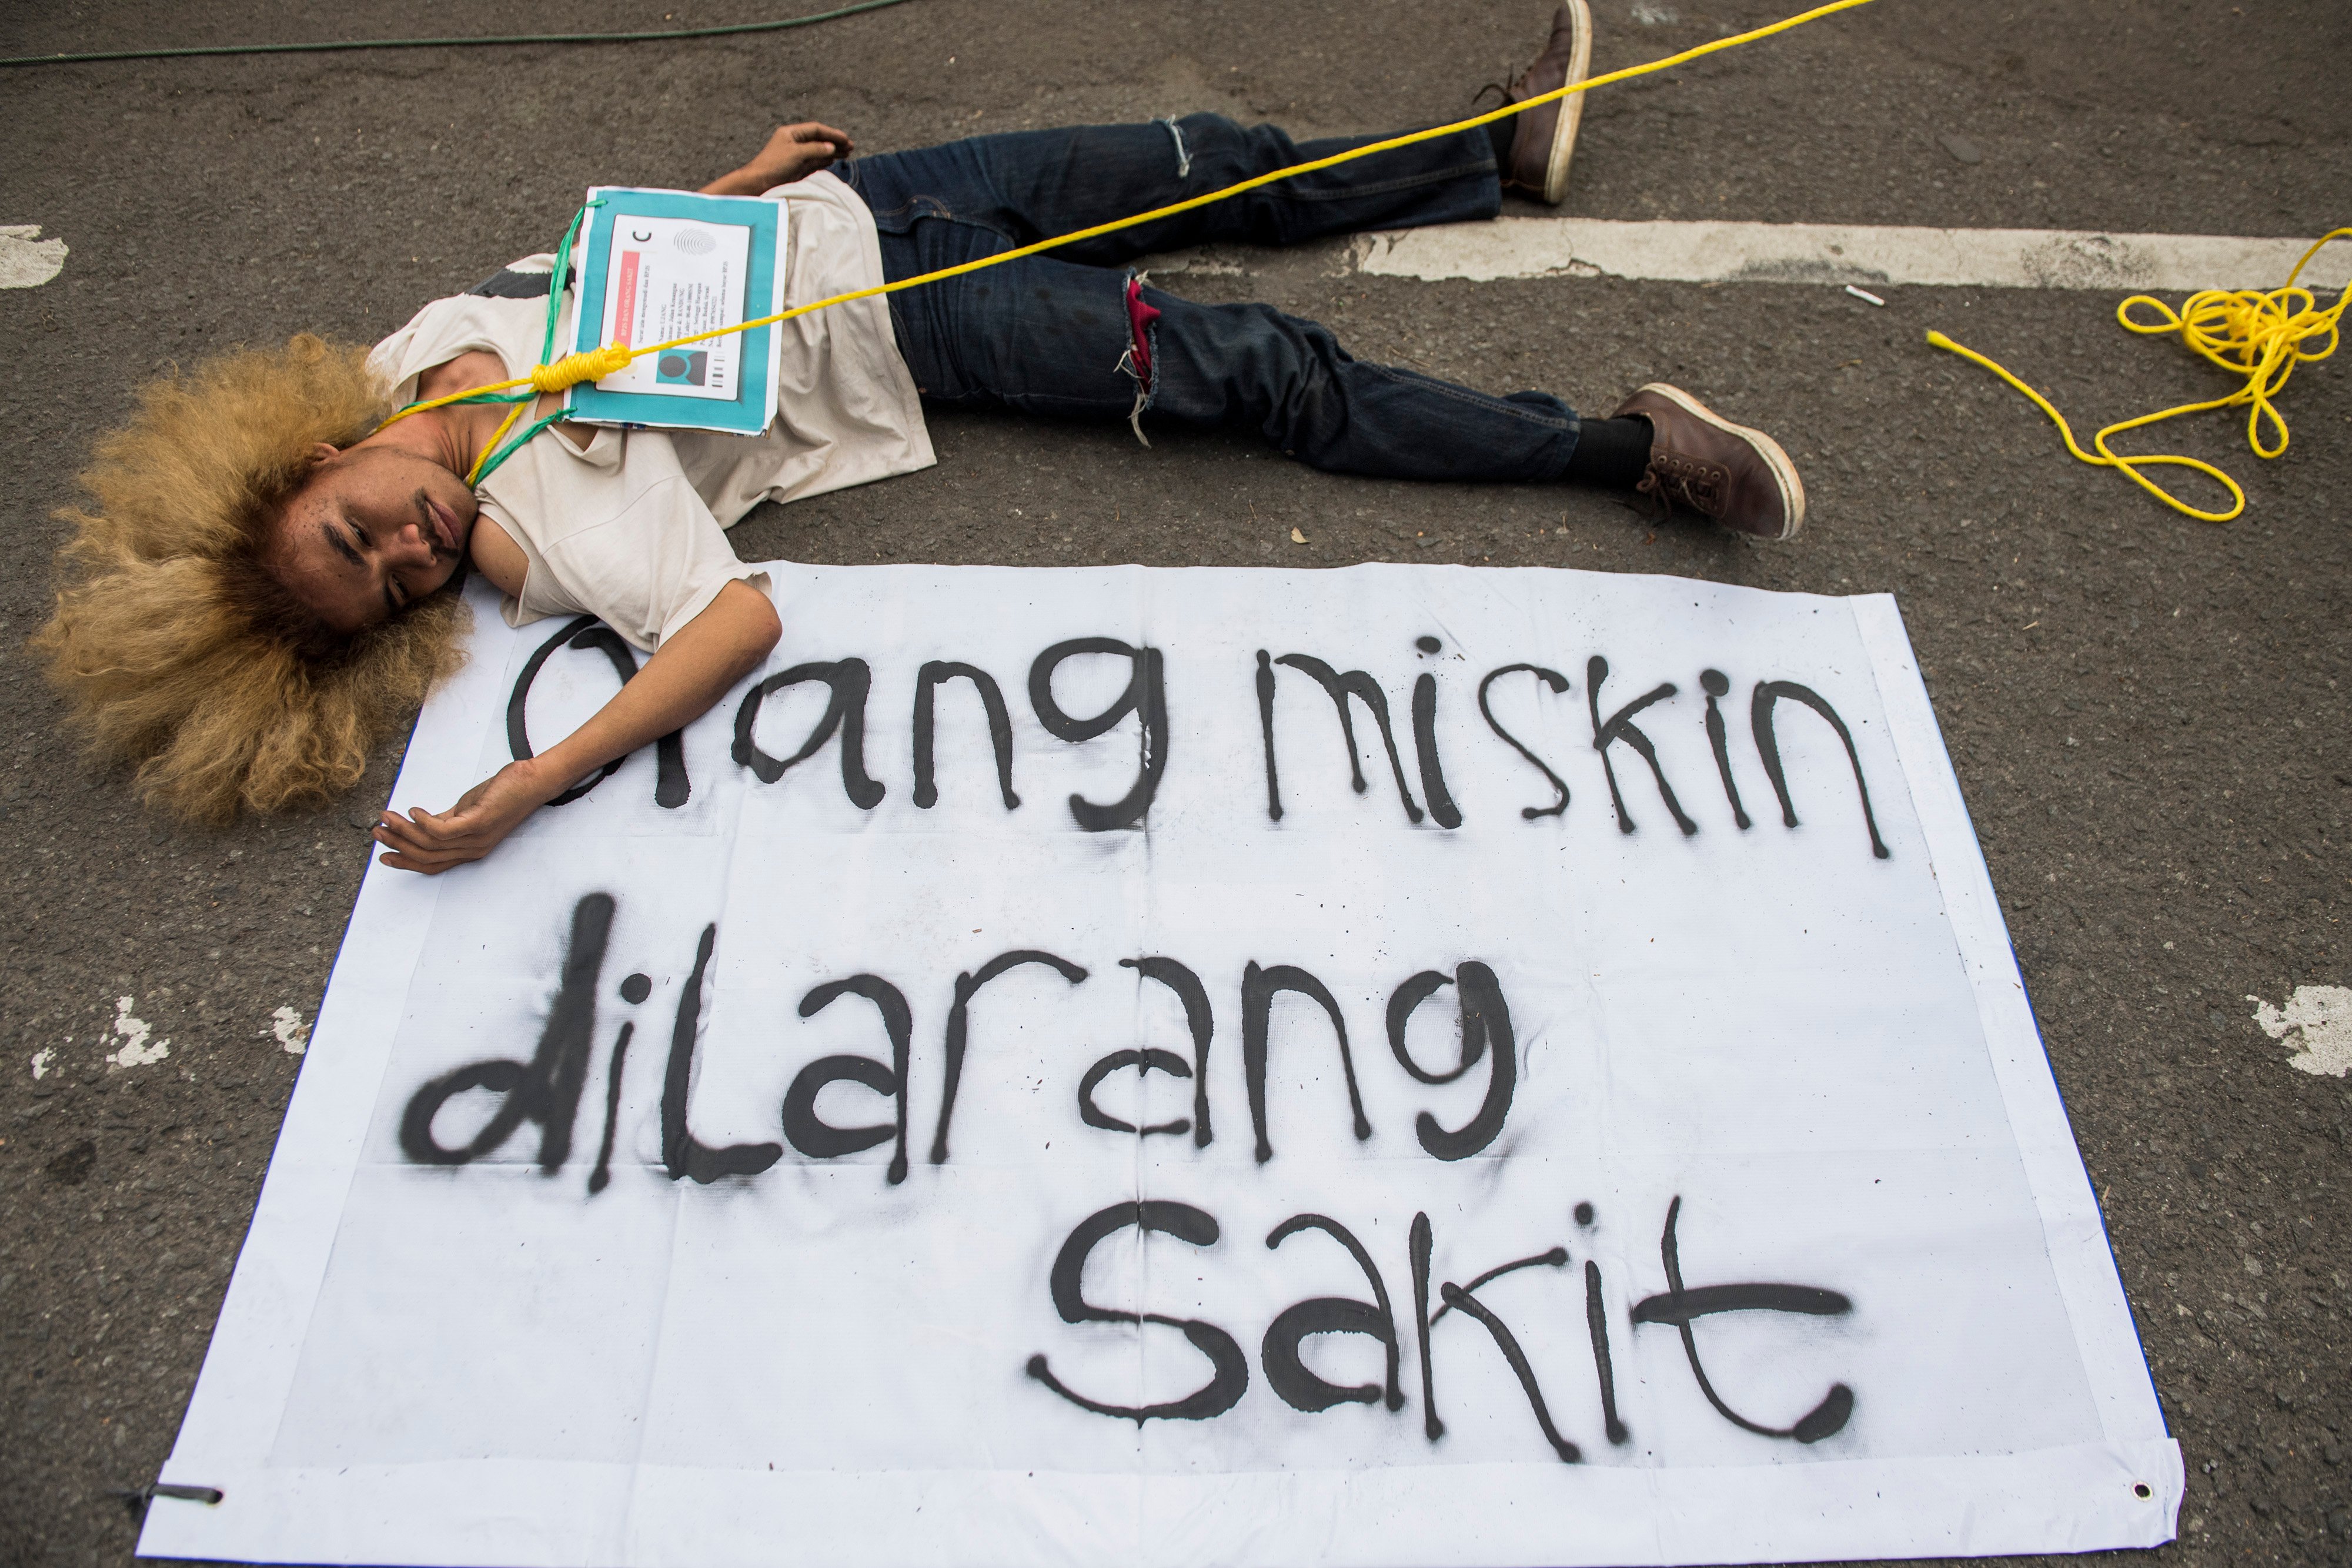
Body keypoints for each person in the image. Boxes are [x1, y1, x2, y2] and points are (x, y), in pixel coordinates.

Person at [36, 2, 1803, 874]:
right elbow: (730, 624)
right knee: (1268, 373)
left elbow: (565, 271)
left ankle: (1483, 160)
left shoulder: (402, 362)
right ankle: (1618, 448)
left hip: (891, 201)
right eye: (389, 586)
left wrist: (735, 185)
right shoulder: (534, 539)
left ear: (307, 461)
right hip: (923, 329)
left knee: (1211, 151)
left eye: (356, 533)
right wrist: (528, 783)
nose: (405, 550)